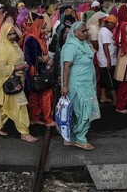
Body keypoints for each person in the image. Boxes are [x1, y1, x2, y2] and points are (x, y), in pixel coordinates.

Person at [0, 23, 38, 143]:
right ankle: (24, 133)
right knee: (20, 107)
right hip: (9, 82)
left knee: (5, 107)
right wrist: (18, 67)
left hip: (16, 80)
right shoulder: (3, 49)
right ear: (4, 35)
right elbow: (2, 69)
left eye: (13, 33)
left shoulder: (14, 44)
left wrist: (22, 67)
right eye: (9, 34)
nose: (12, 36)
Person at [61, 22, 100, 150]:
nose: (85, 33)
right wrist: (65, 86)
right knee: (84, 111)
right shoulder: (71, 46)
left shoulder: (83, 44)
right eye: (82, 31)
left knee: (77, 112)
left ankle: (70, 137)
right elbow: (66, 67)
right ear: (74, 33)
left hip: (86, 84)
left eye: (86, 31)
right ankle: (80, 138)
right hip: (77, 85)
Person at [24, 19, 55, 127]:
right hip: (36, 71)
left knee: (35, 95)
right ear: (37, 28)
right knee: (46, 94)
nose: (44, 30)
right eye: (42, 28)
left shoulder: (35, 38)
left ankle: (34, 117)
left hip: (34, 71)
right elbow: (34, 57)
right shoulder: (32, 39)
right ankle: (47, 119)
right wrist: (46, 59)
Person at [97, 15, 118, 104]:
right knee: (110, 80)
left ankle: (103, 97)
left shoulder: (104, 30)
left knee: (104, 79)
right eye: (113, 24)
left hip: (104, 58)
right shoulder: (105, 32)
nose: (114, 26)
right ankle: (115, 100)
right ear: (109, 23)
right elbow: (105, 46)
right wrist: (108, 61)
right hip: (106, 60)